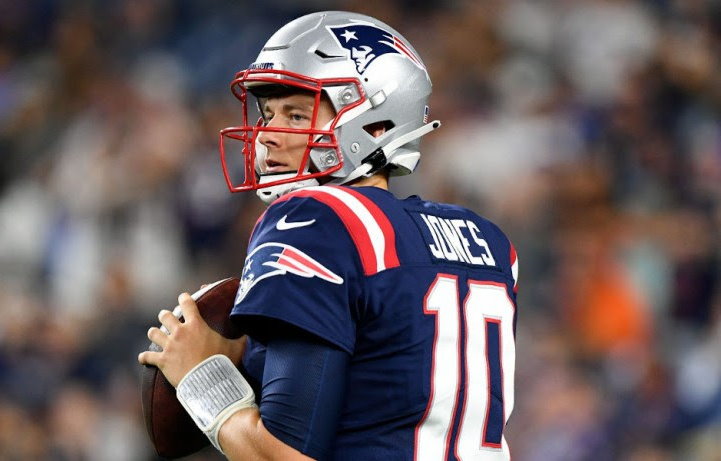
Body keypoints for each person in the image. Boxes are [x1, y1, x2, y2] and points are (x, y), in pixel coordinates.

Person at [138, 10, 519, 460]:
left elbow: (285, 456)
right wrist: (251, 355)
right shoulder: (487, 241)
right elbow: (387, 379)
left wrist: (204, 377)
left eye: (297, 116)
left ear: (377, 125)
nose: (268, 137)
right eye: (268, 114)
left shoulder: (315, 219)